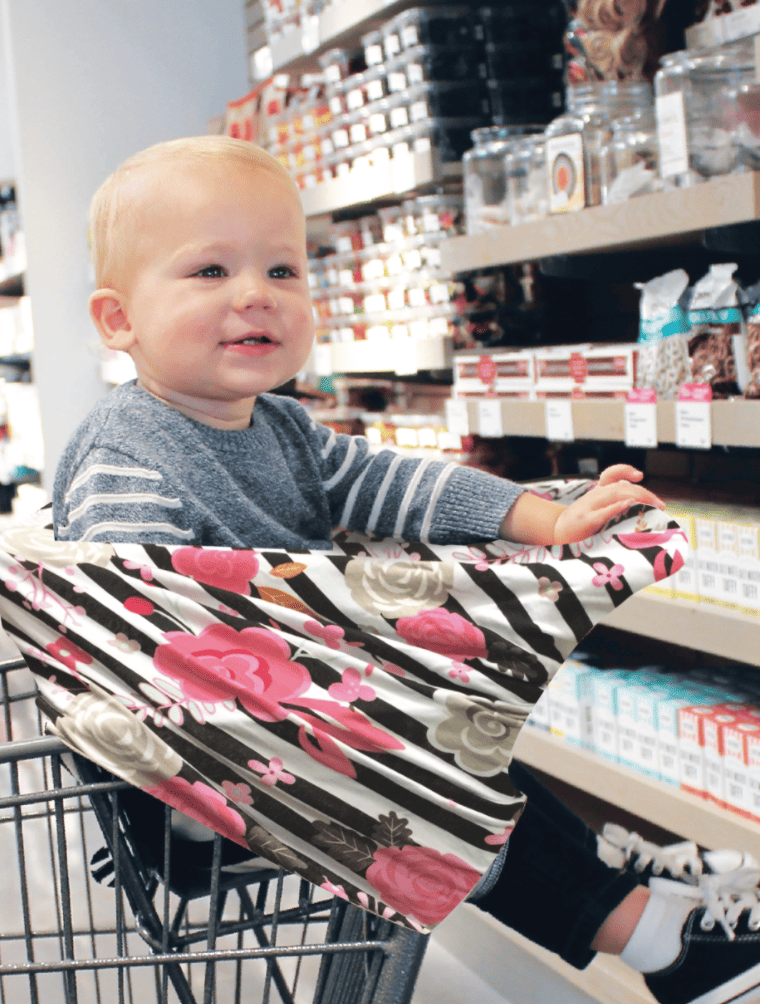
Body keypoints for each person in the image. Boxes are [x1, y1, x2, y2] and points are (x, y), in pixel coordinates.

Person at [52, 135, 760, 1004]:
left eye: (282, 271)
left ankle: (637, 891)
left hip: (301, 734)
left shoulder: (278, 427)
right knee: (434, 796)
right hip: (203, 774)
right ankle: (657, 940)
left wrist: (541, 519)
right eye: (208, 272)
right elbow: (124, 615)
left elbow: (387, 481)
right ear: (118, 321)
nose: (254, 296)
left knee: (462, 743)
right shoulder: (126, 454)